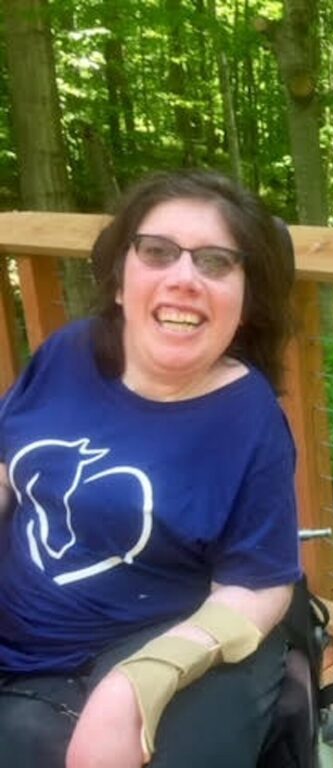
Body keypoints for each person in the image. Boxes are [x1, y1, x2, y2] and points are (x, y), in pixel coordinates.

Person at [0, 170, 302, 767]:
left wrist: (140, 682)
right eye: (157, 252)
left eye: (216, 262)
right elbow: (9, 466)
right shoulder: (68, 352)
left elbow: (258, 583)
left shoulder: (249, 419)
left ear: (245, 303)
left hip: (125, 648)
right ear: (120, 278)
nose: (184, 278)